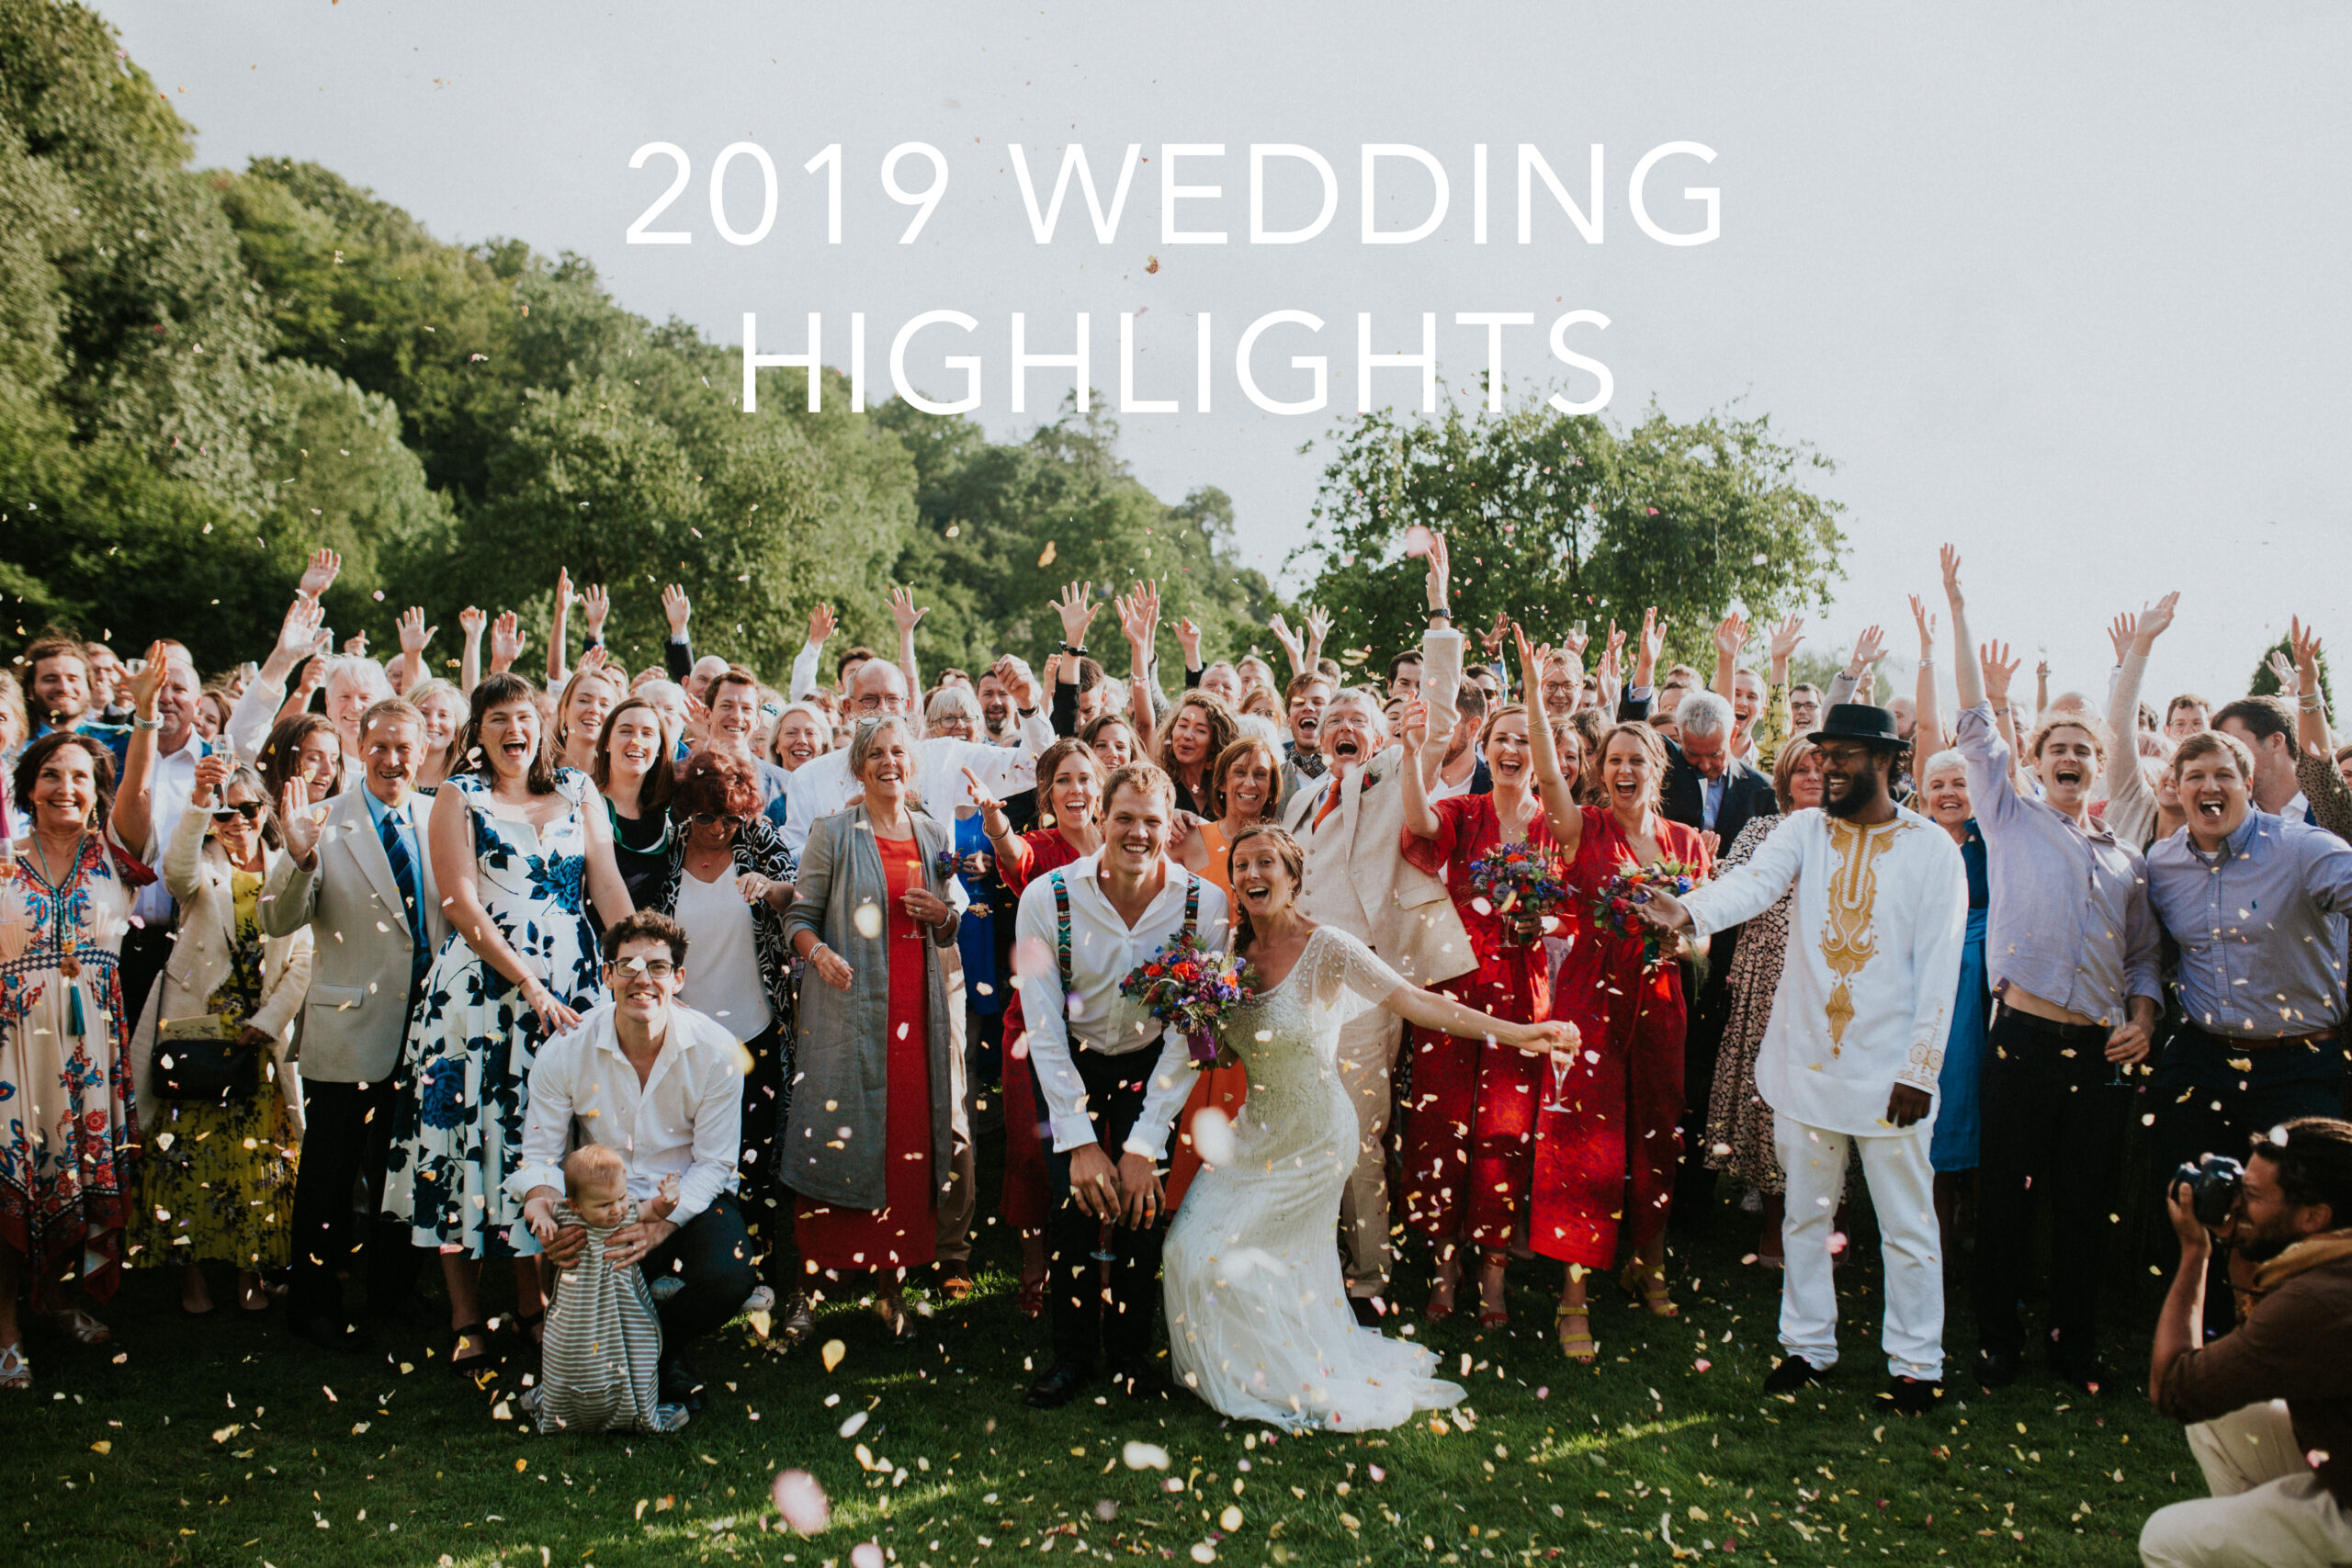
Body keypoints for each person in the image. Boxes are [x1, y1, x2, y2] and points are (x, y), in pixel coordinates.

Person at [1163, 824, 1576, 1429]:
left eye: (1265, 863)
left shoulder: (1327, 945)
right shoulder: (1232, 957)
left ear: (1293, 876)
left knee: (1239, 1256)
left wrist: (1519, 1033)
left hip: (1312, 1138)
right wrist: (1198, 1023)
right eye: (1243, 865)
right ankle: (1249, 1365)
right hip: (1256, 1132)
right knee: (1186, 1247)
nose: (1252, 875)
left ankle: (1284, 1371)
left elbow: (1416, 1000)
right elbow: (1227, 1056)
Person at [1634, 702, 1966, 1414]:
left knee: (1907, 1223)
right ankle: (1807, 1346)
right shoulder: (1803, 830)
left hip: (1890, 1075)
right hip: (1807, 1061)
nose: (1829, 766)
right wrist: (1688, 912)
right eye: (1823, 754)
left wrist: (1920, 1067)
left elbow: (1942, 967)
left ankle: (1916, 1362)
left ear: (1887, 762)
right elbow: (1751, 885)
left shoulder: (1930, 847)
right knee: (1805, 1217)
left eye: (1845, 754)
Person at [1942, 546, 2162, 1392]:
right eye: (2057, 745)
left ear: (2099, 764)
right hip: (2021, 1040)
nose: (2070, 756)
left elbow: (2143, 954)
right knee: (2005, 1198)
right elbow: (1972, 716)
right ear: (2038, 758)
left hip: (2098, 1052)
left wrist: (2142, 1015)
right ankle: (1996, 1340)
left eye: (2084, 748)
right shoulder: (2009, 815)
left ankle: (2071, 1346)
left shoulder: (2126, 857)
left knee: (2080, 1206)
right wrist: (1959, 610)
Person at [382, 671, 633, 1376]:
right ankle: (465, 1314)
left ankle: (534, 1300)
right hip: (481, 998)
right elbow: (460, 903)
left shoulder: (582, 790)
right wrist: (528, 983)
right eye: (497, 720)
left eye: (523, 717)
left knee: (543, 1139)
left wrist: (643, 967)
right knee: (464, 1141)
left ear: (543, 724)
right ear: (478, 731)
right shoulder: (457, 797)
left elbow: (607, 884)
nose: (512, 731)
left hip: (575, 986)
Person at [1278, 536, 1473, 1322]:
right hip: (1297, 988)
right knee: (1298, 1124)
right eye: (1333, 719)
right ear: (1318, 737)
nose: (1344, 725)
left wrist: (1437, 605)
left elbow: (1441, 705)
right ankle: (1306, 1263)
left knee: (1360, 1131)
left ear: (1383, 735)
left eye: (1359, 716)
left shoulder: (1397, 773)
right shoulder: (1299, 801)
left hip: (1366, 982)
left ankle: (1368, 1279)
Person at [1013, 761, 1231, 1407]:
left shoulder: (1204, 903)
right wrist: (1080, 1141)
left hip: (1152, 1060)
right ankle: (1073, 1354)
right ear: (1100, 818)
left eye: (1152, 821)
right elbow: (1043, 1025)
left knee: (1142, 1207)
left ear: (1170, 826)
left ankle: (1134, 1354)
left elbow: (1193, 1030)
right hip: (1068, 1060)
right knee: (1072, 1205)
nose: (1138, 832)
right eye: (1125, 818)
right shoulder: (1044, 897)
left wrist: (1143, 1142)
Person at [1520, 642, 1714, 1348]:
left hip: (1661, 1000)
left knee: (1658, 1131)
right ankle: (1574, 1295)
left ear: (1657, 769)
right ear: (1600, 773)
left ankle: (1648, 1261)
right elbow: (1546, 773)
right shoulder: (1585, 828)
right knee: (1582, 1139)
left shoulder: (1690, 844)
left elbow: (1704, 942)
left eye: (1638, 759)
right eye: (1614, 761)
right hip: (1588, 1000)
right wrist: (1537, 701)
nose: (1625, 769)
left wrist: (1682, 941)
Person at [2143, 728, 2352, 1330]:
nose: (2210, 786)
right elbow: (2149, 955)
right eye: (2195, 776)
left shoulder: (2304, 848)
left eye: (2223, 775)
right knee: (2190, 1192)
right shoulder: (2162, 864)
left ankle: (2295, 1332)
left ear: (2248, 784)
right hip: (2205, 1055)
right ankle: (2203, 1331)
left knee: (2297, 1203)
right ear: (2178, 790)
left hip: (2298, 1059)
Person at [512, 911, 755, 1418]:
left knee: (730, 1277)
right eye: (628, 966)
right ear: (607, 976)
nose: (642, 979)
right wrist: (541, 1207)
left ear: (678, 979)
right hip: (599, 1206)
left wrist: (659, 1223)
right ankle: (601, 1360)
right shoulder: (565, 1049)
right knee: (582, 1266)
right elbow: (540, 1155)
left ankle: (662, 1353)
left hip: (683, 1198)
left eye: (658, 968)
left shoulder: (716, 1052)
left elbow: (715, 1164)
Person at [263, 697, 447, 1351]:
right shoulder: (320, 821)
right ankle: (313, 1302)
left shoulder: (440, 816)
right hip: (348, 1026)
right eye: (380, 746)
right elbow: (276, 921)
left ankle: (395, 1290)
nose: (393, 760)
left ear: (423, 750)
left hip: (430, 1029)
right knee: (330, 1176)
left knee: (407, 1170)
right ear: (357, 747)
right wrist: (301, 859)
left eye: (405, 748)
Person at [0, 684, 163, 1388]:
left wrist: (147, 718)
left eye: (80, 777)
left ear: (98, 792)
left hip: (90, 1047)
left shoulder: (114, 856)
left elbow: (137, 787)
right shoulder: (2, 860)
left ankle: (60, 1297)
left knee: (77, 1171)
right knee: (13, 1179)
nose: (65, 787)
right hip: (12, 1050)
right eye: (50, 774)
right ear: (28, 788)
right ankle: (6, 1328)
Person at [779, 716, 963, 1337]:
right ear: (858, 765)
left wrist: (943, 912)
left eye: (899, 752)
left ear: (912, 764)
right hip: (850, 1010)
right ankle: (804, 1293)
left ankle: (892, 1290)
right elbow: (798, 916)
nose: (890, 762)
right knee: (834, 1137)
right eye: (877, 753)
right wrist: (817, 952)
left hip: (917, 1013)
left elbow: (948, 922)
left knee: (906, 1149)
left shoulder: (932, 830)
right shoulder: (833, 832)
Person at [1397, 699, 1562, 1331]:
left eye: (1524, 739)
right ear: (1484, 746)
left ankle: (1494, 1263)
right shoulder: (1465, 811)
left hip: (1523, 988)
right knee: (1441, 1119)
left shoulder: (1554, 824)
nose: (1512, 748)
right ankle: (1445, 1261)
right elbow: (1418, 822)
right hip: (1454, 981)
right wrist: (1415, 753)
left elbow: (1569, 908)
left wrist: (1539, 919)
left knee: (1506, 1125)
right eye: (1501, 738)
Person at [130, 753, 312, 1317]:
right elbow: (175, 871)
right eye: (224, 813)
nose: (237, 821)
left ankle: (250, 1269)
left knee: (258, 1161)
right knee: (185, 1156)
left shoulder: (292, 865)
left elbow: (304, 956)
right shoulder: (198, 863)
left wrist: (270, 1019)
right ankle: (191, 1277)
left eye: (248, 809)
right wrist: (197, 806)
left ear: (267, 810)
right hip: (197, 1031)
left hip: (261, 1041)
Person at [2140, 1118, 2352, 1567]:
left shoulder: (2315, 1301)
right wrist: (2244, 1240)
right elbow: (2245, 1355)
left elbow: (2175, 1389)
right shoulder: (2334, 1264)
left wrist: (2195, 1253)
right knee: (2221, 1419)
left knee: (2164, 1539)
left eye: (2253, 1197)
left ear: (2315, 1216)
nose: (2237, 1204)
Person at [639, 749, 800, 1324]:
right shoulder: (669, 851)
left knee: (753, 1161)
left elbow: (797, 897)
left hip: (753, 1034)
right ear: (688, 811)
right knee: (678, 1157)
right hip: (679, 1037)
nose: (718, 830)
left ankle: (758, 1271)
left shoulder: (758, 842)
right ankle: (674, 1270)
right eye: (708, 818)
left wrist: (770, 889)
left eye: (730, 819)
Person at [972, 738, 1107, 1316]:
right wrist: (998, 825)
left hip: (1105, 1022)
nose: (1076, 790)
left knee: (1101, 1141)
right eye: (1064, 781)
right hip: (1034, 1022)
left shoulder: (1129, 842)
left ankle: (1101, 1258)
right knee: (1036, 1146)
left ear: (1100, 788)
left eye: (1085, 779)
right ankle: (1033, 1266)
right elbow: (1013, 859)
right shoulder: (1041, 847)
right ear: (1047, 795)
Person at [1702, 739, 1823, 1267]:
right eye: (1801, 770)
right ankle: (1774, 1226)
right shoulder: (1761, 831)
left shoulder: (1855, 837)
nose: (1812, 777)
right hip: (1766, 982)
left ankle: (1831, 1224)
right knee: (1767, 1106)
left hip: (1828, 991)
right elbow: (1730, 894)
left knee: (1823, 1103)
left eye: (1822, 768)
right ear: (1784, 781)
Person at [1161, 735, 1280, 1212]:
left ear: (1272, 788)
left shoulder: (1277, 847)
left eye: (1262, 775)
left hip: (1256, 999)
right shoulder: (1190, 837)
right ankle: (1178, 1208)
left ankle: (1238, 1207)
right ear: (1222, 782)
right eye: (1240, 773)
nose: (1250, 783)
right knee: (1190, 1103)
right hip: (1197, 999)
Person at [520, 1145, 687, 1434]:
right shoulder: (567, 1214)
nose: (616, 1210)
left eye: (620, 1198)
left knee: (634, 1349)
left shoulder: (625, 1211)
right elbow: (535, 1205)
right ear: (575, 1204)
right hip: (578, 1307)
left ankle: (636, 1412)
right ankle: (563, 1410)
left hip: (621, 1302)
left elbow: (653, 1210)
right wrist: (542, 1218)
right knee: (571, 1354)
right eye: (603, 1205)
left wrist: (669, 1199)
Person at [1913, 749, 1990, 1262]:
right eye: (1937, 784)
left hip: (1985, 979)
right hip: (1927, 974)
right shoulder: (1915, 844)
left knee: (1980, 1092)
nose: (1948, 794)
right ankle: (1932, 1248)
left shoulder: (1996, 842)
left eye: (1959, 782)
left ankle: (1978, 1235)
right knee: (1938, 1097)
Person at [595, 695, 677, 908]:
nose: (636, 740)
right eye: (626, 731)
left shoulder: (665, 818)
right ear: (606, 742)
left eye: (647, 733)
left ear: (659, 748)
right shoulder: (584, 806)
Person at [2211, 695, 2311, 822]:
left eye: (2235, 746)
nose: (2225, 759)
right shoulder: (2228, 819)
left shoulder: (2330, 806)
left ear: (2276, 742)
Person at [549, 659, 628, 777]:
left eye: (604, 704)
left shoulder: (621, 779)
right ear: (563, 711)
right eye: (583, 700)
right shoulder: (538, 770)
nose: (595, 709)